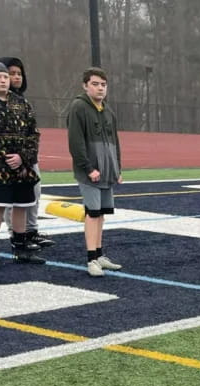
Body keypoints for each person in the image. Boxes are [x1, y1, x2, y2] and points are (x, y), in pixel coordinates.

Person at [0, 60, 44, 268]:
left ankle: (20, 248)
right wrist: (8, 157)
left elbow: (34, 133)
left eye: (5, 77)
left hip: (22, 166)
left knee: (22, 206)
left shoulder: (21, 102)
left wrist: (22, 157)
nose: (3, 80)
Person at [66, 66, 123, 277]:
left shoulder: (108, 111)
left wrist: (117, 169)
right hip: (90, 174)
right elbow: (75, 143)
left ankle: (99, 255)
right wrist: (88, 168)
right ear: (85, 85)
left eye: (103, 85)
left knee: (102, 215)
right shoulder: (79, 108)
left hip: (108, 173)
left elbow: (115, 143)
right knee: (92, 213)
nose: (100, 88)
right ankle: (91, 260)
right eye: (95, 84)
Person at [0, 56, 54, 248]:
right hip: (11, 159)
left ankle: (31, 231)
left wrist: (28, 153)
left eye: (19, 73)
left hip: (29, 158)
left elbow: (32, 130)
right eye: (11, 73)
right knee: (13, 200)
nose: (16, 77)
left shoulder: (23, 101)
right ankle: (15, 232)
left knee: (34, 194)